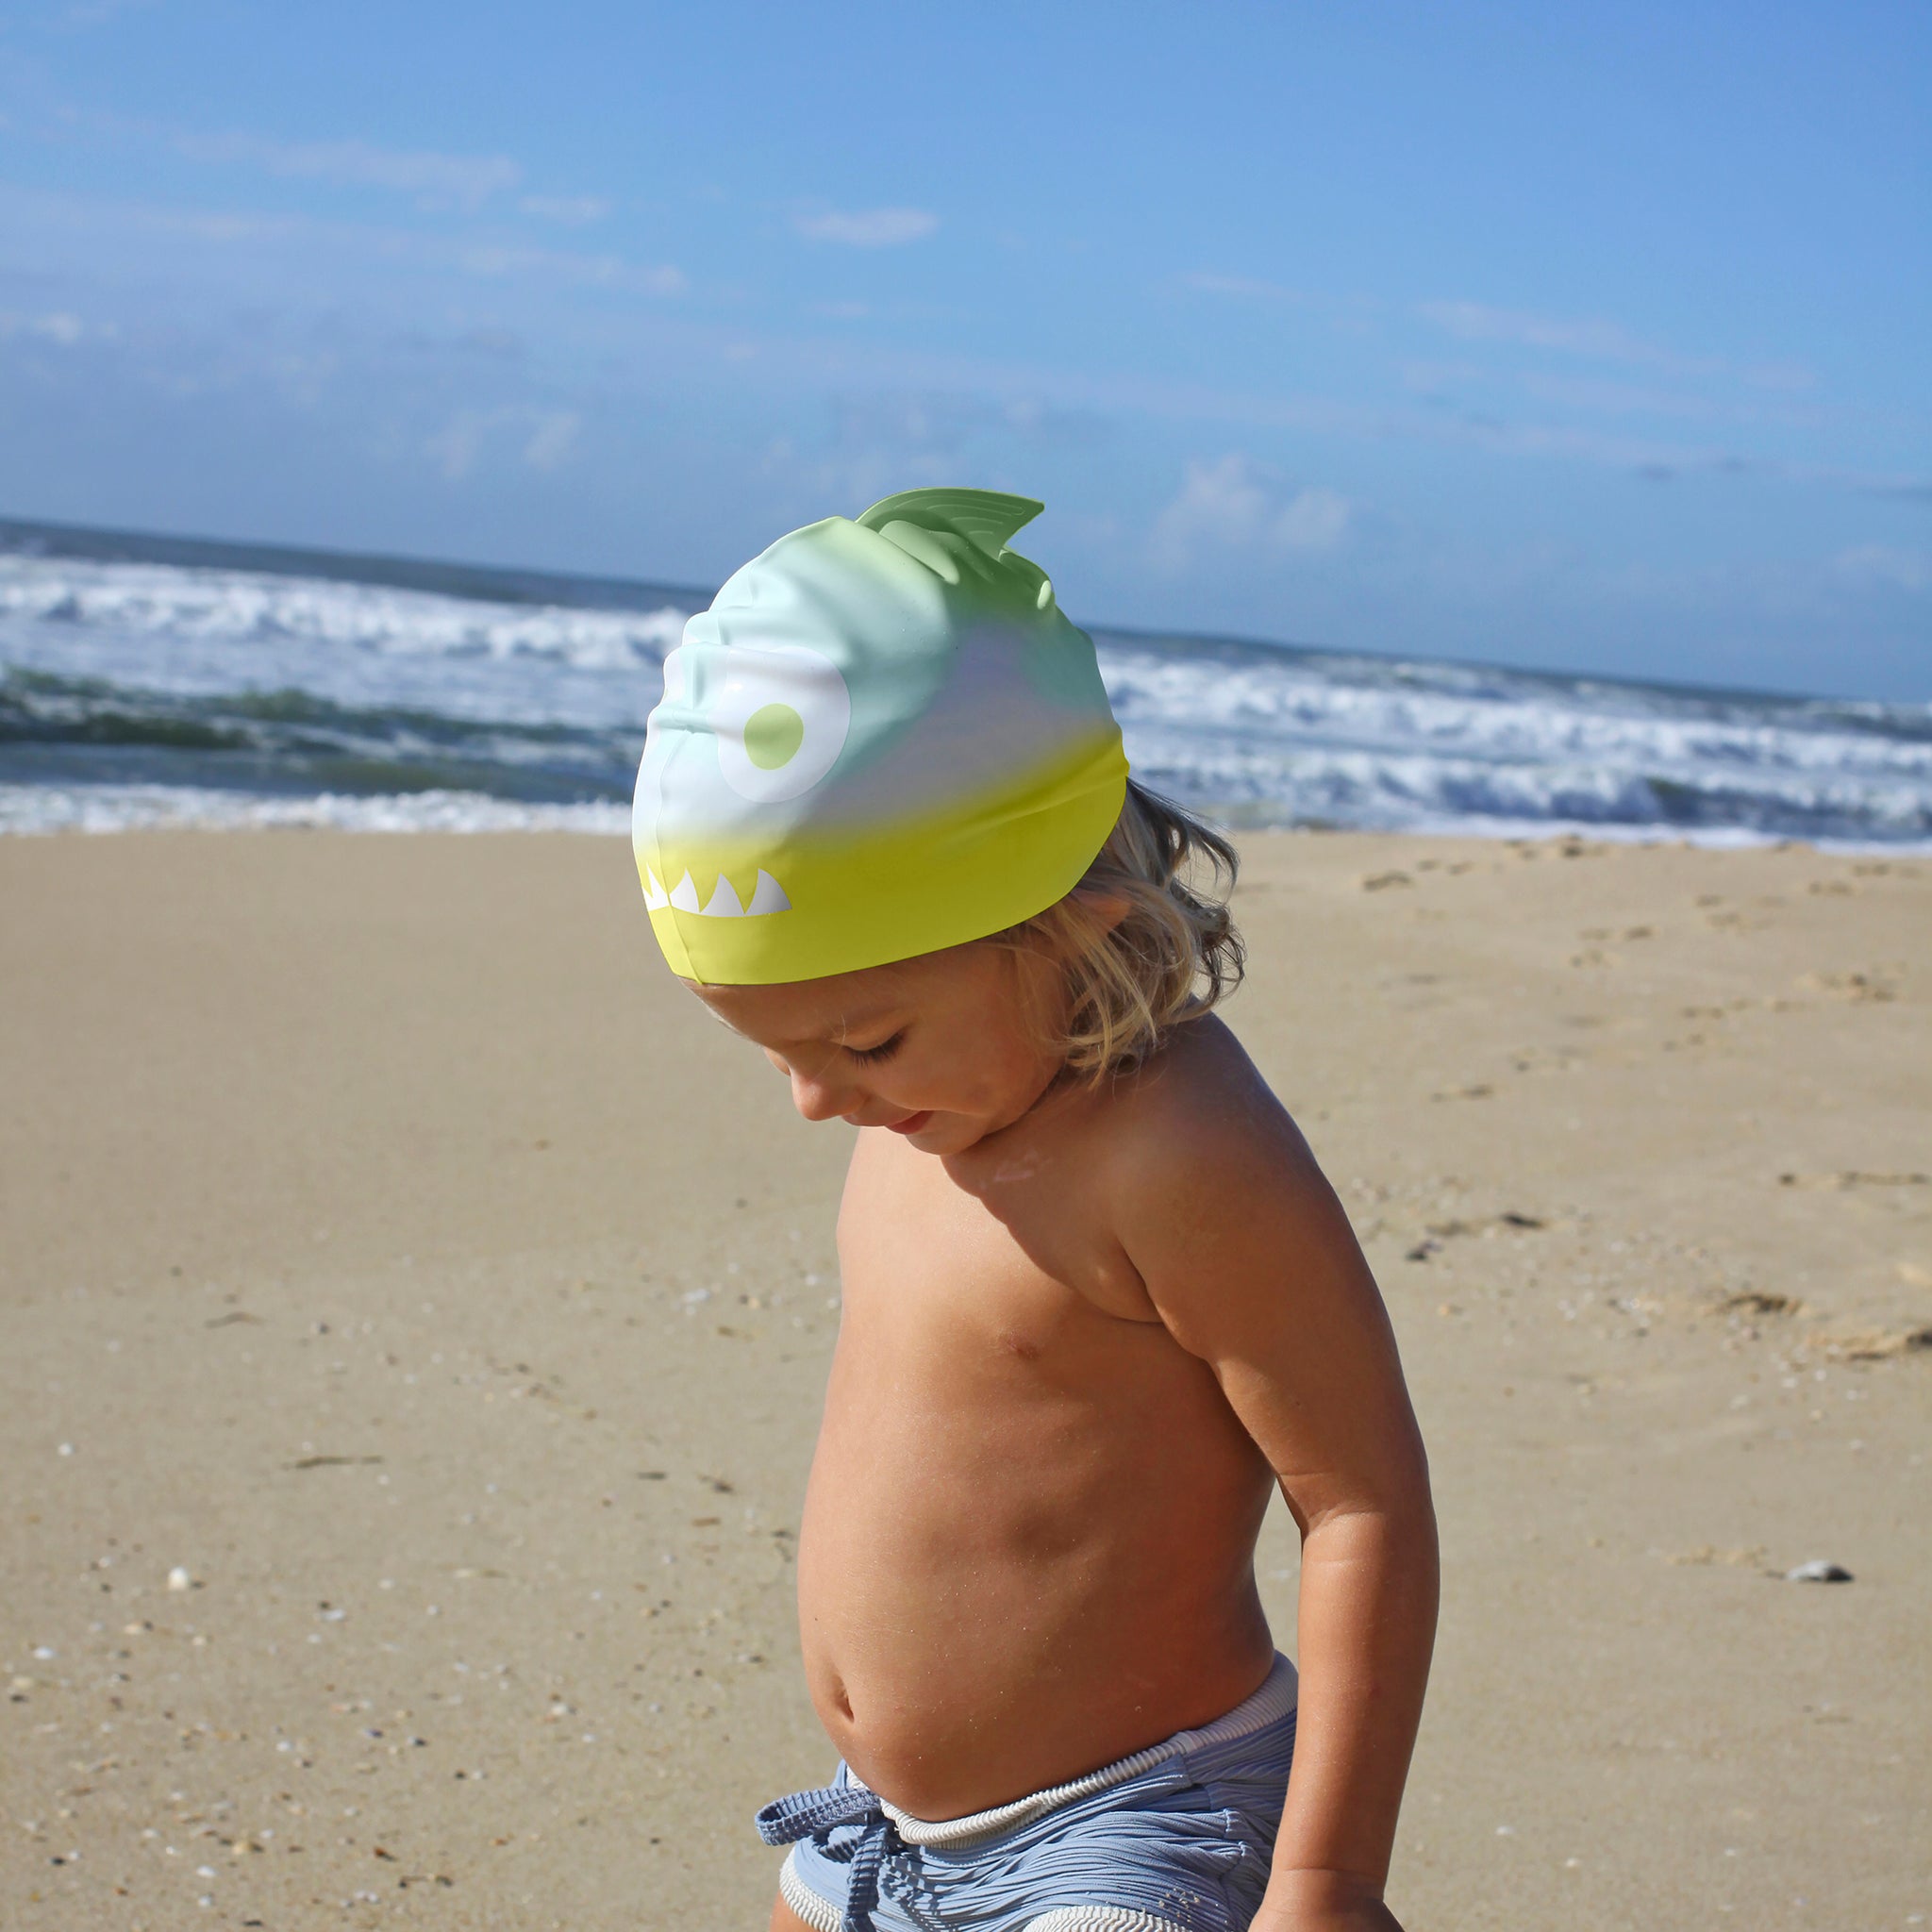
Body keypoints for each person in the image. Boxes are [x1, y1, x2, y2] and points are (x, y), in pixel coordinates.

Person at [631, 489, 1439, 1932]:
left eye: (862, 1044)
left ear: (1082, 935)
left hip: (1135, 1827)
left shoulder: (1178, 1152)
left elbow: (1363, 1504)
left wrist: (1327, 1877)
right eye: (778, 1055)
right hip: (874, 1829)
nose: (818, 1103)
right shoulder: (936, 1100)